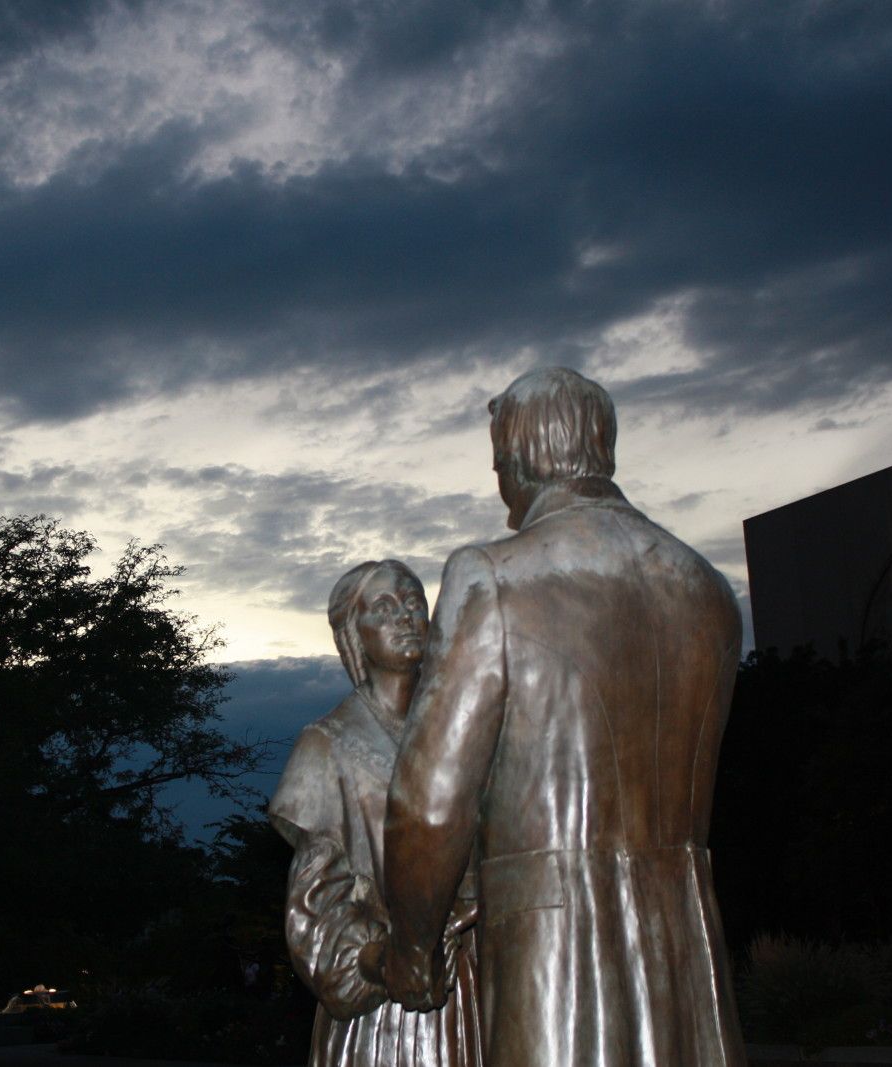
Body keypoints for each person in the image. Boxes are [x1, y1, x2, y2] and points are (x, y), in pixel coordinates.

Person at [383, 367, 747, 1067]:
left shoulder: (492, 576)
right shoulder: (707, 589)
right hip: (685, 948)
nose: (500, 483)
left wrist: (413, 947)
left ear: (522, 453)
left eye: (497, 460)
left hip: (556, 953)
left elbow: (428, 801)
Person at [270, 560, 481, 1067]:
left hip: (472, 991)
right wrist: (385, 959)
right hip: (384, 1012)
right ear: (354, 634)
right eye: (384, 609)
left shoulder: (465, 734)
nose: (405, 617)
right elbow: (316, 909)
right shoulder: (327, 747)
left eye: (414, 604)